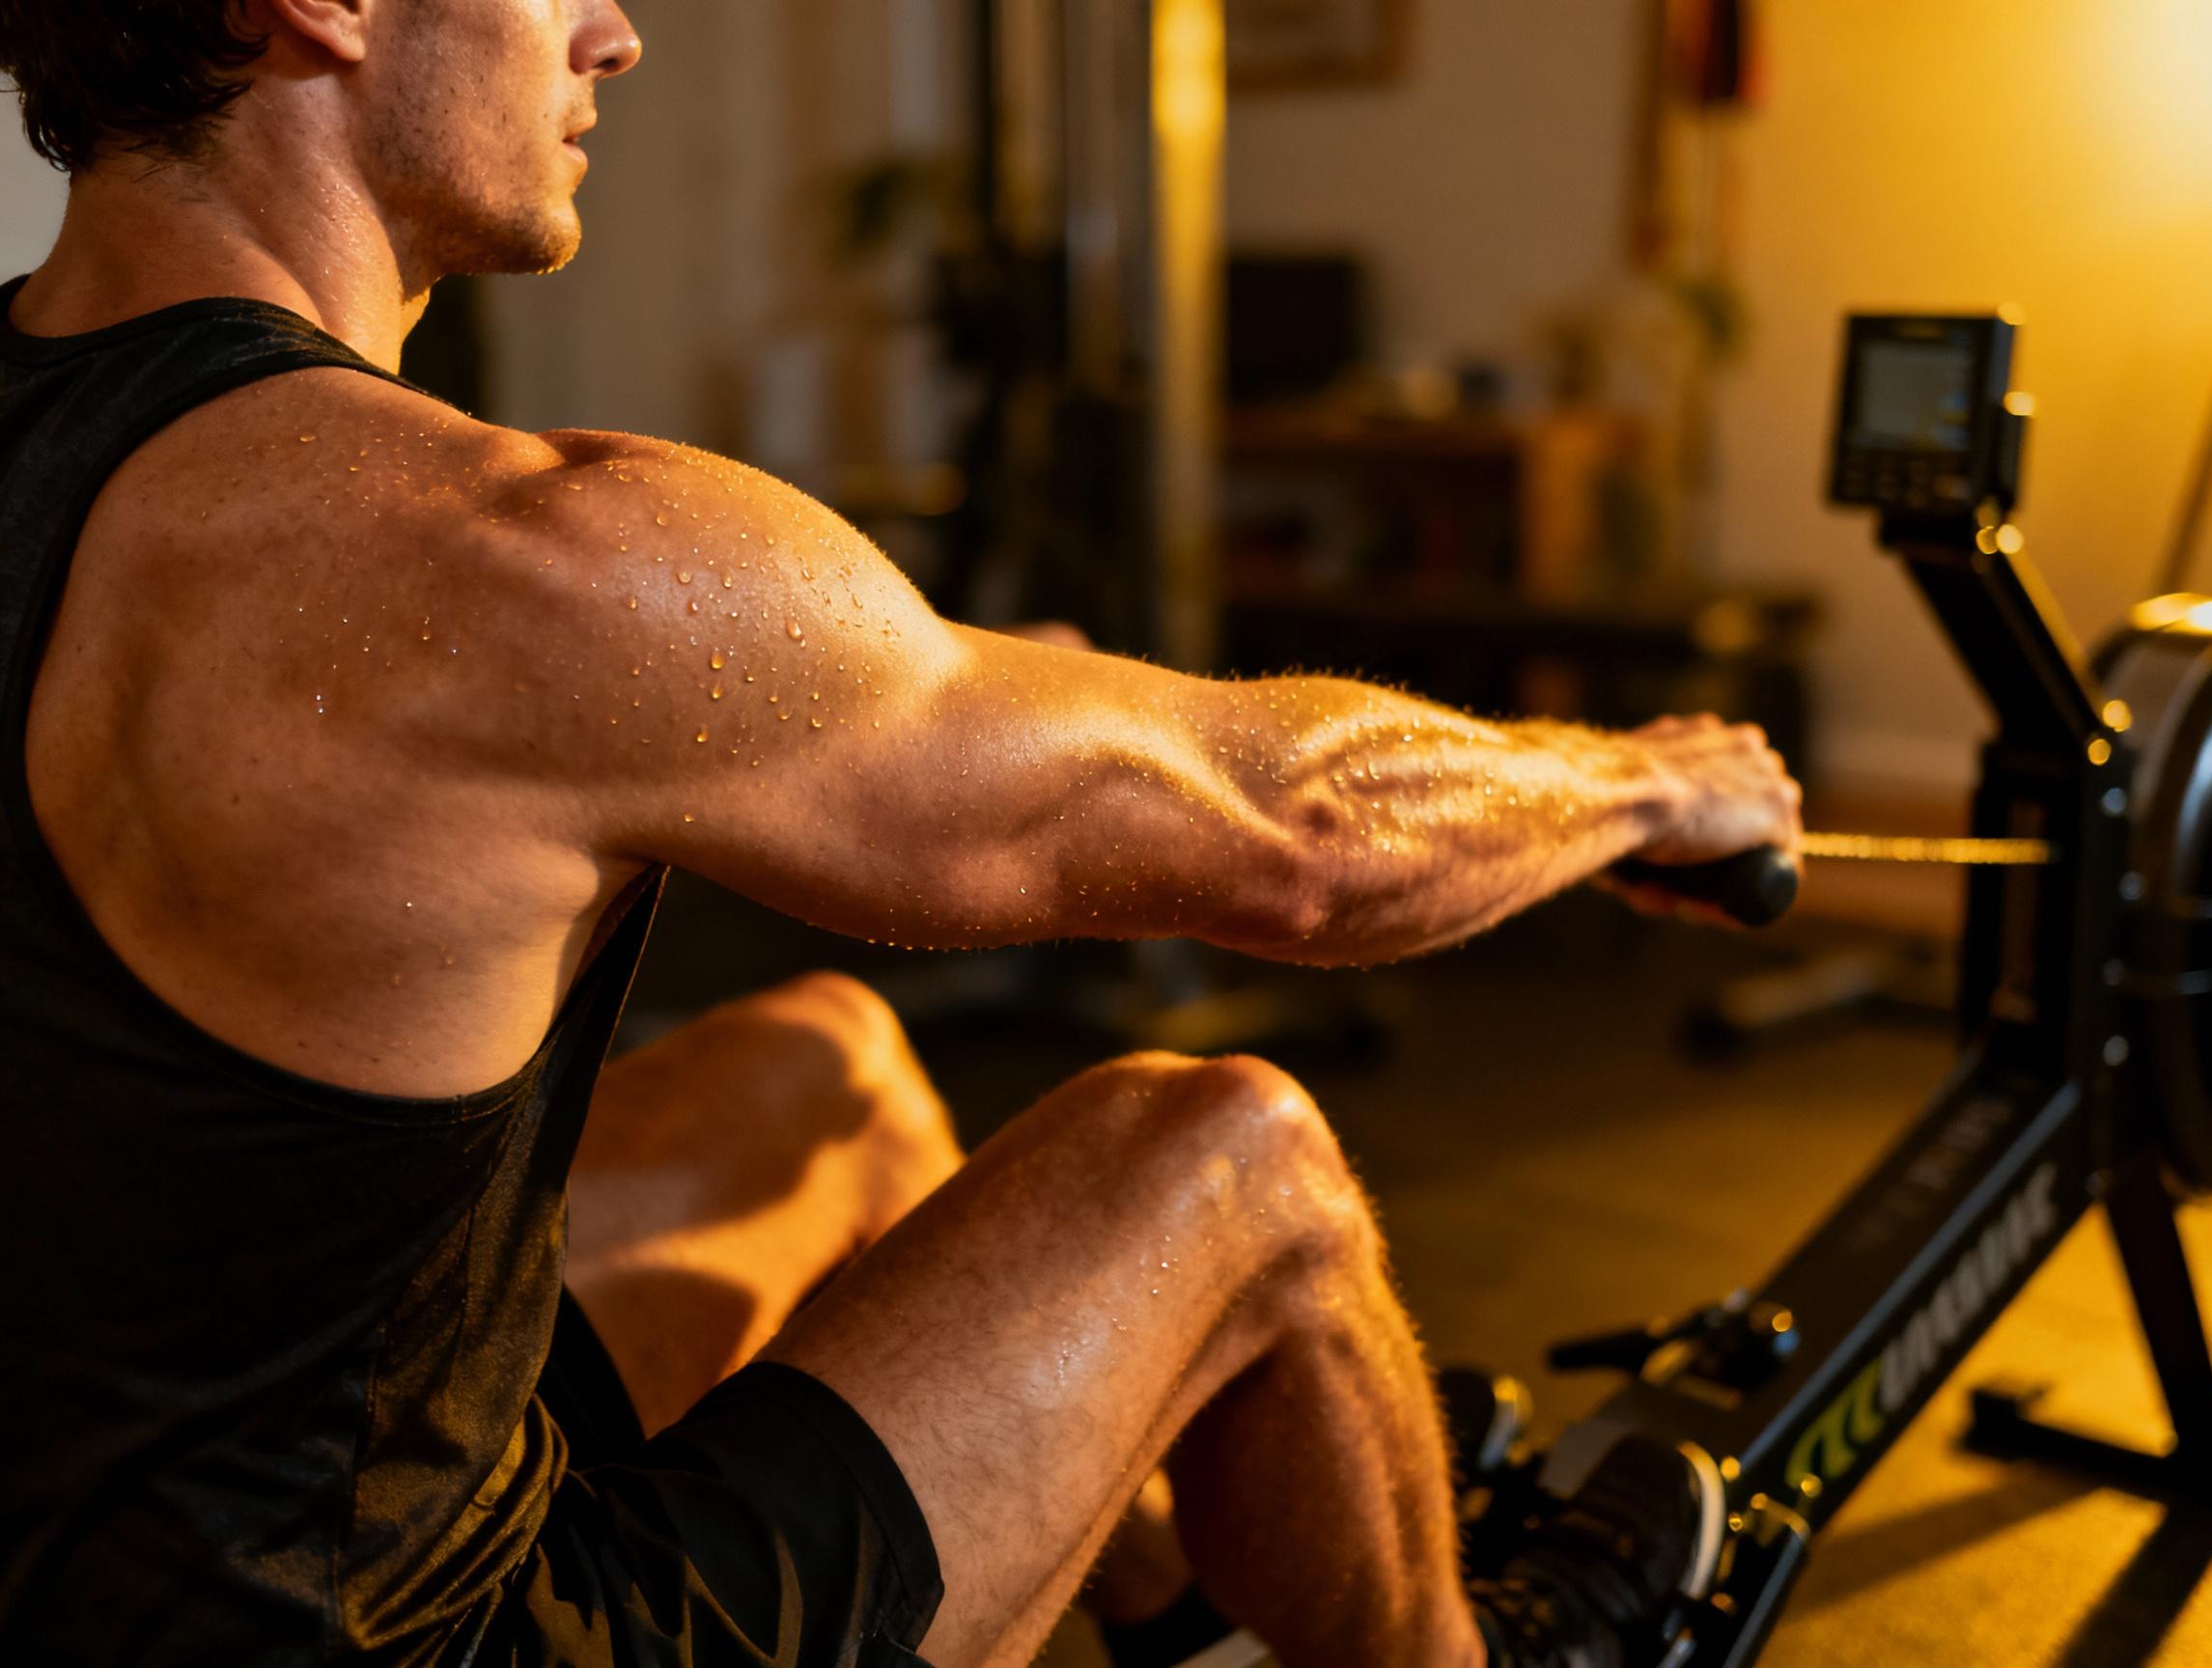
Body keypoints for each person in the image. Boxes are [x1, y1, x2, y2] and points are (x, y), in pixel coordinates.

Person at [0, 3, 1804, 1666]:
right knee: (1238, 1159)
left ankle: (1196, 1604)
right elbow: (1302, 834)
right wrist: (1653, 782)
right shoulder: (509, 562)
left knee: (831, 1076)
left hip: (108, 1516)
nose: (614, 35)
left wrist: (980, 711)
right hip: (411, 1632)